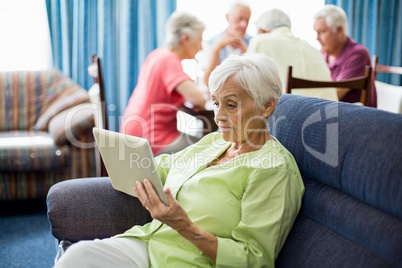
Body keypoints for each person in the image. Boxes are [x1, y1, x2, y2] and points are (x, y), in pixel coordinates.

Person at [54, 54, 305, 267]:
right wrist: (129, 162)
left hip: (191, 261)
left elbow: (253, 259)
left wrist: (184, 226)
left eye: (230, 105)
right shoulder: (215, 142)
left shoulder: (273, 169)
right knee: (76, 257)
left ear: (267, 106)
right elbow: (164, 167)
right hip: (151, 242)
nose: (218, 117)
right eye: (216, 103)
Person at [120, 11, 207, 156]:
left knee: (200, 144)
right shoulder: (169, 60)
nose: (201, 47)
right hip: (152, 139)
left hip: (134, 134)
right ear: (185, 39)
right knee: (207, 151)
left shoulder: (157, 54)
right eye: (199, 40)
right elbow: (199, 100)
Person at [247, 8, 337, 101]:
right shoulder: (313, 50)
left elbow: (246, 85)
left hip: (295, 113)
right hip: (332, 111)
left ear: (262, 31)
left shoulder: (259, 41)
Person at [313, 5, 377, 107]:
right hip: (333, 114)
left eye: (321, 32)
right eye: (316, 32)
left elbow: (333, 95)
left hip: (356, 119)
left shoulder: (358, 54)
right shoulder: (322, 54)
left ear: (339, 30)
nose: (317, 38)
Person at [200, 0, 252, 87]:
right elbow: (207, 82)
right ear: (228, 17)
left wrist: (245, 50)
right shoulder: (210, 43)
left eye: (247, 20)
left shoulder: (253, 42)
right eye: (239, 19)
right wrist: (216, 48)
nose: (244, 24)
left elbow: (259, 78)